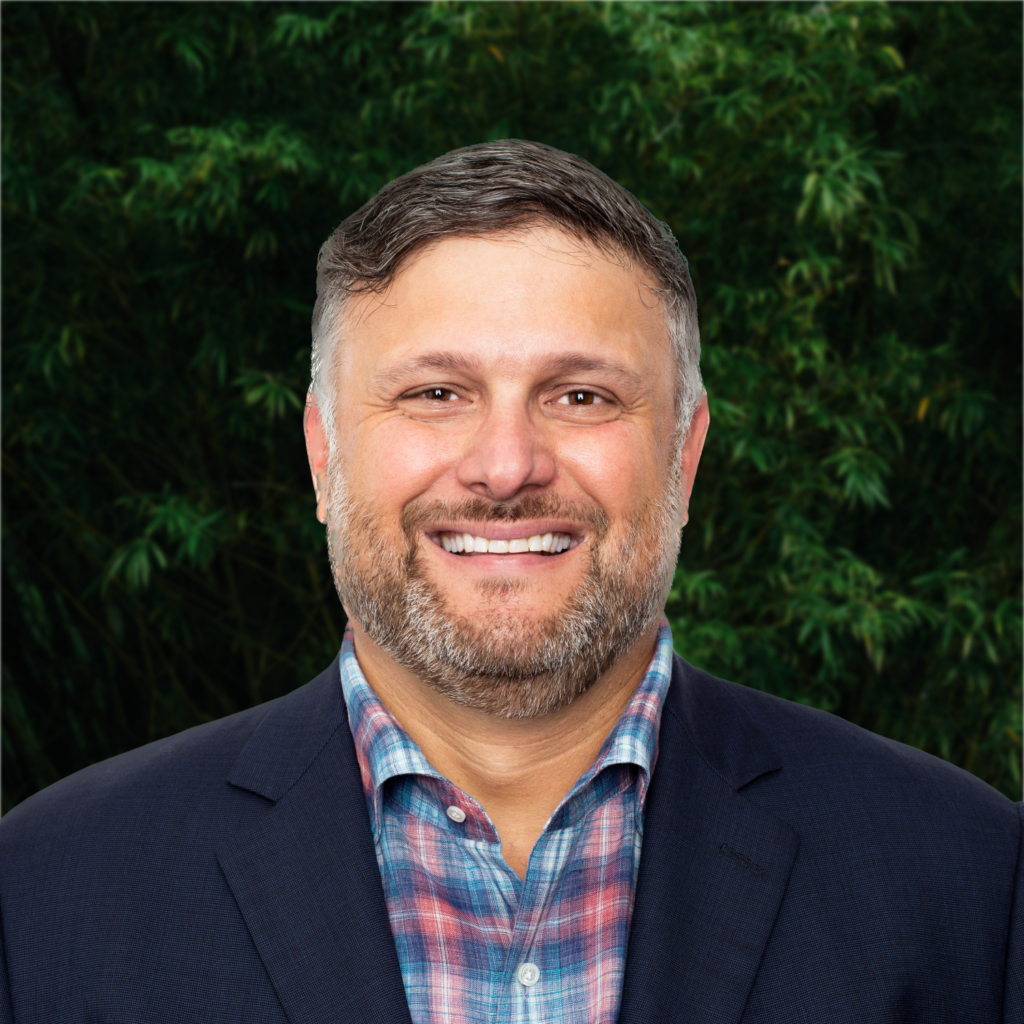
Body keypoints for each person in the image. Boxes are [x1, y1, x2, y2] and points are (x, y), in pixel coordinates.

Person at [0, 140, 1019, 1024]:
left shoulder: (965, 881)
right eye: (435, 392)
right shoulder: (49, 893)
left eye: (579, 394)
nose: (504, 464)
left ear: (684, 455)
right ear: (322, 457)